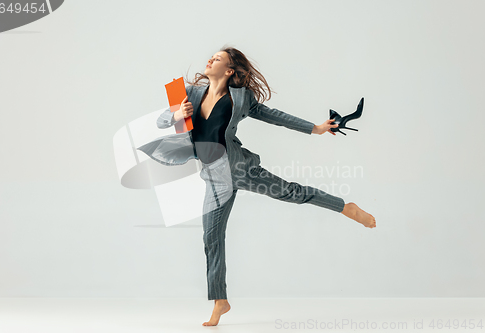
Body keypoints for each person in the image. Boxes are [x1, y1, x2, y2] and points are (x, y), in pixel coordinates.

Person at [144, 46, 376, 326]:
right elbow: (160, 121)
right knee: (211, 238)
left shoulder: (241, 99)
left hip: (239, 169)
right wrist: (177, 115)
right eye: (211, 56)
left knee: (292, 193)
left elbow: (275, 115)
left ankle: (345, 207)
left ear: (229, 71)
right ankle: (221, 301)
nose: (209, 59)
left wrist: (315, 128)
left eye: (217, 59)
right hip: (214, 178)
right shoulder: (189, 94)